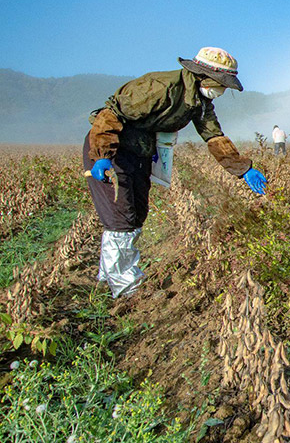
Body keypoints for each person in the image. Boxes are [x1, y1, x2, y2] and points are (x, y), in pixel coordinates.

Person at [84, 47, 267, 298]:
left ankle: (108, 278)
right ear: (203, 76)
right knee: (121, 216)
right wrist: (102, 156)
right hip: (113, 149)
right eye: (221, 85)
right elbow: (110, 115)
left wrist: (243, 168)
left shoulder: (200, 103)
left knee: (136, 214)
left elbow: (213, 136)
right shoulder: (161, 87)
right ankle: (127, 292)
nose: (222, 91)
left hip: (139, 151)